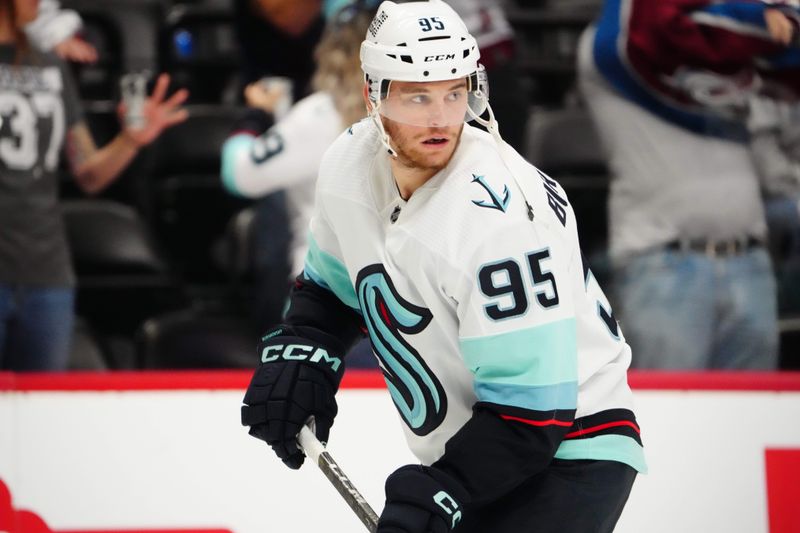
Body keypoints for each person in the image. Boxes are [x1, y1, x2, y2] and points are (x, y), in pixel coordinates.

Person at [240, 2, 646, 532]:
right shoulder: (346, 164)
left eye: (455, 93)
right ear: (373, 95)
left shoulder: (499, 220)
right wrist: (306, 353)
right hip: (479, 438)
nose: (439, 118)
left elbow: (532, 416)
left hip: (572, 448)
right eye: (417, 95)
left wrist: (443, 489)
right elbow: (330, 290)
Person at [576, 0, 799, 370]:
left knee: (753, 423)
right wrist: (756, 20)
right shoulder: (610, 47)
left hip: (752, 262)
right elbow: (648, 25)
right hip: (663, 264)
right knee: (667, 422)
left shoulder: (730, 60)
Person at [0, 0, 189, 371]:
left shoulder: (49, 65)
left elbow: (88, 172)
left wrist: (130, 140)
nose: (41, 3)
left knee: (43, 418)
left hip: (46, 273)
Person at [221, 0, 380, 363]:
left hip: (326, 306)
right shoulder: (420, 116)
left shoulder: (320, 115)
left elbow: (239, 173)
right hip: (404, 308)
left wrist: (255, 116)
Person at [24, 0, 98, 64]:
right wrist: (60, 43)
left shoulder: (48, 52)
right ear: (84, 45)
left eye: (83, 60)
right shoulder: (71, 21)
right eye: (85, 55)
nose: (79, 58)